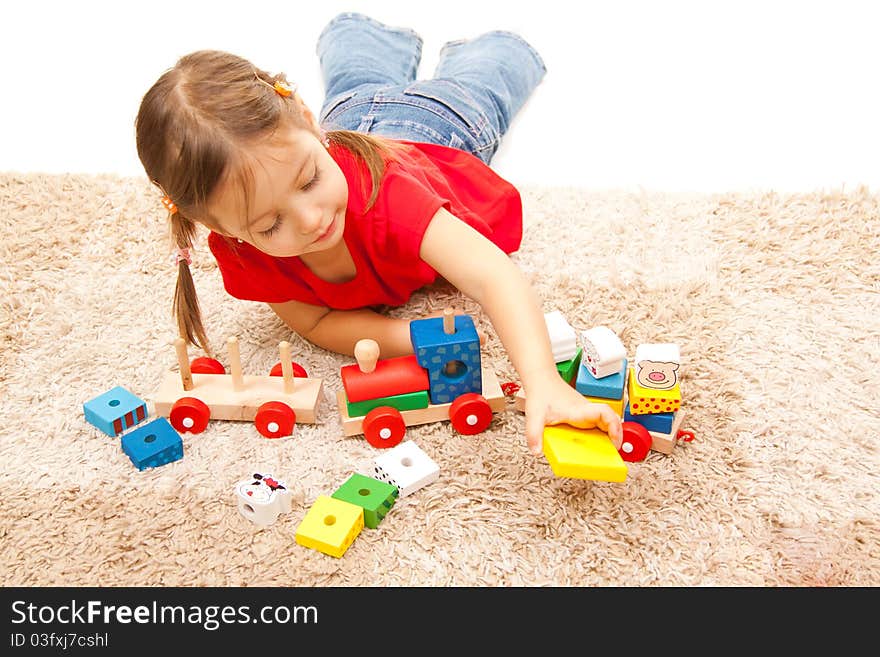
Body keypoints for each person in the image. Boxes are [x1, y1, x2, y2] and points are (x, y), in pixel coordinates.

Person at [134, 12, 622, 455]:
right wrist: (410, 337)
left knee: (481, 83)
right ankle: (359, 38)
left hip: (434, 125)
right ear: (221, 230)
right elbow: (316, 323)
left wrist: (540, 379)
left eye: (309, 181)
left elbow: (493, 276)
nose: (309, 219)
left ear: (308, 120)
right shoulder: (243, 251)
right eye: (270, 224)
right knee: (359, 80)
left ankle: (485, 44)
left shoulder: (389, 197)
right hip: (346, 124)